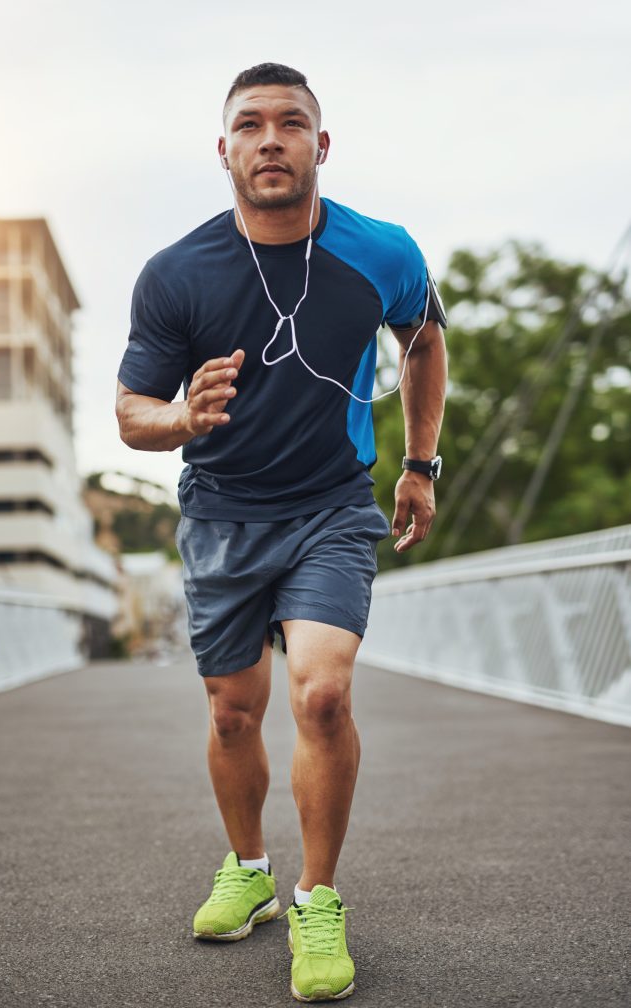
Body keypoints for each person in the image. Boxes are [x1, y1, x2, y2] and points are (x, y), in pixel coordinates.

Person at [116, 62, 447, 1003]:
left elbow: (424, 339)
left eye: (290, 123)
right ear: (223, 150)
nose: (270, 139)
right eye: (250, 125)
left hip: (332, 508)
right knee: (232, 711)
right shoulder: (177, 273)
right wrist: (181, 421)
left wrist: (420, 464)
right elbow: (132, 411)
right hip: (221, 514)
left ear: (320, 145)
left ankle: (317, 897)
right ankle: (250, 869)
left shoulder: (382, 252)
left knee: (324, 696)